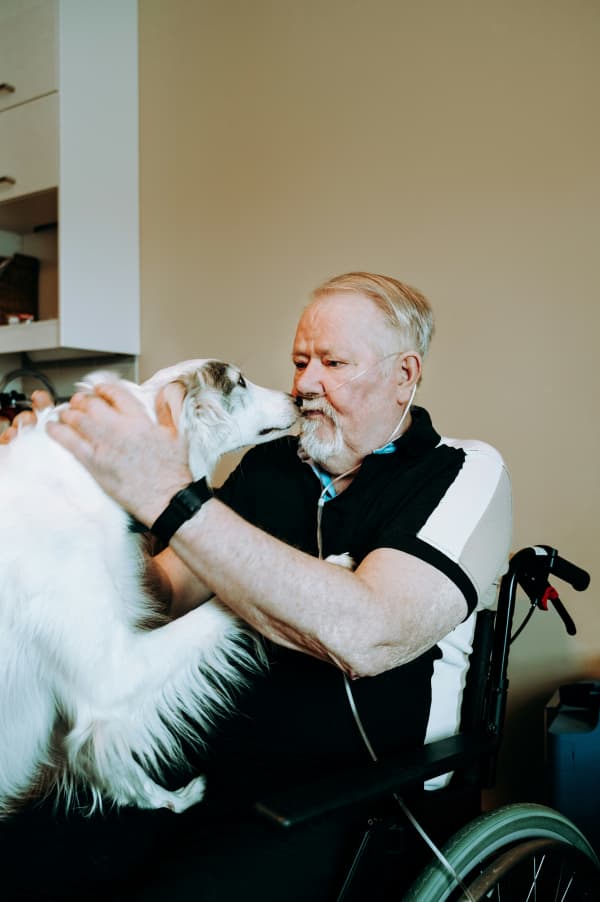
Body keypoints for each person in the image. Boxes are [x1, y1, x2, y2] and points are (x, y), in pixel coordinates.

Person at [2, 272, 511, 900]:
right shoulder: (269, 466)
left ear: (403, 375)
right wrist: (88, 502)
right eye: (300, 362)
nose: (304, 384)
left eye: (332, 362)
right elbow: (165, 593)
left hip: (349, 798)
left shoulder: (461, 472)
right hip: (206, 770)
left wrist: (171, 497)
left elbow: (368, 634)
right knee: (19, 861)